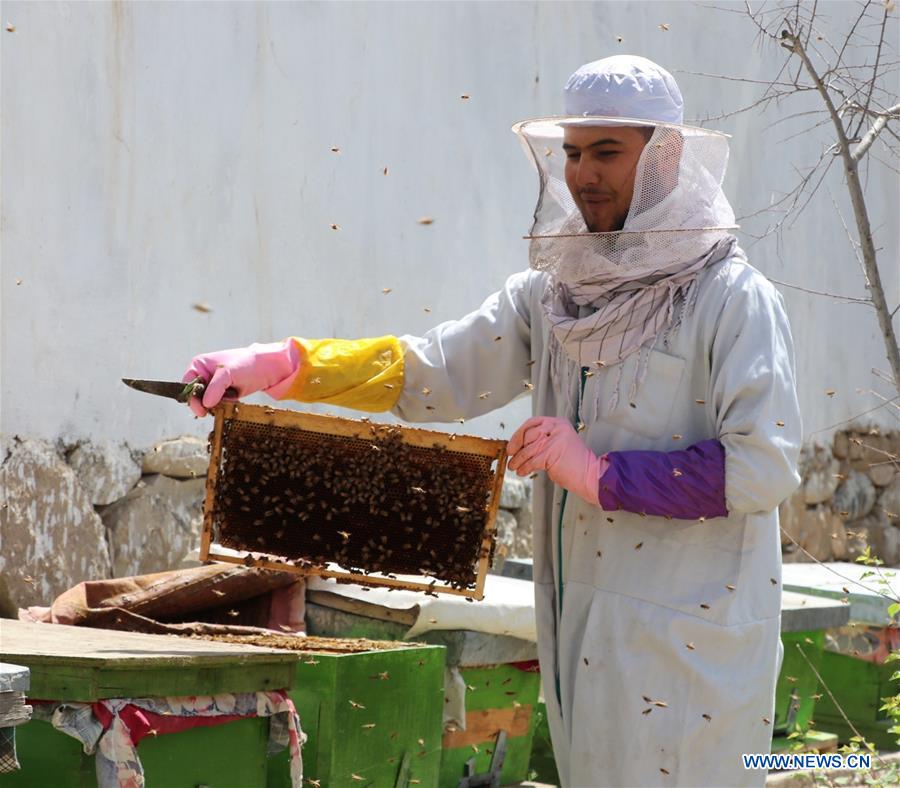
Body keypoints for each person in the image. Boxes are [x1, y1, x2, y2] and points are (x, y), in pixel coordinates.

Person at [183, 56, 802, 787]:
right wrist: (287, 363)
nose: (584, 173)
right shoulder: (553, 294)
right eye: (572, 152)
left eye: (606, 152)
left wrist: (600, 475)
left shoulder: (732, 299)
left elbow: (762, 466)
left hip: (692, 648)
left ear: (664, 159)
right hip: (581, 634)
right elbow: (436, 372)